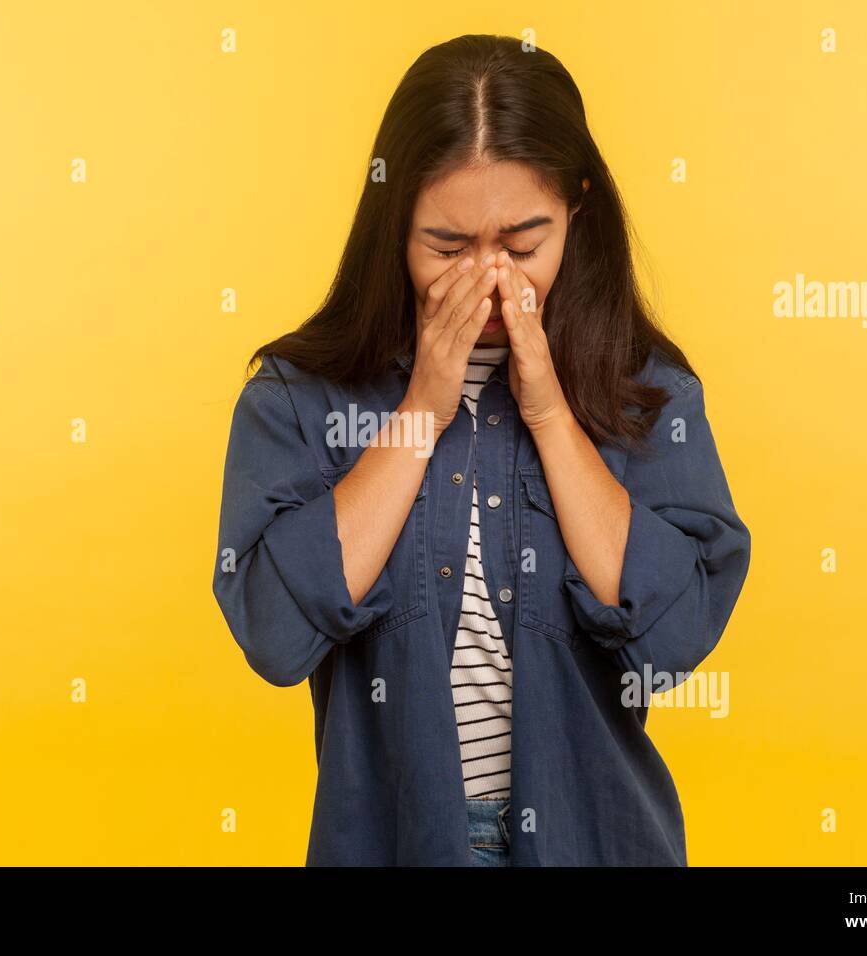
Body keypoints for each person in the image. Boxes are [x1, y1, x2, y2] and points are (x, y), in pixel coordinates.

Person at [212, 34, 752, 866]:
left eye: (524, 245)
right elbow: (277, 635)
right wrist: (422, 410)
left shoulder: (649, 395)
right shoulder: (300, 398)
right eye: (449, 248)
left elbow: (676, 636)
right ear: (394, 225)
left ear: (577, 208)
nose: (491, 278)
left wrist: (549, 415)